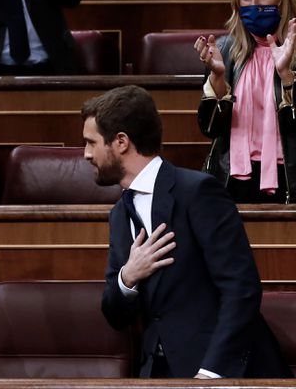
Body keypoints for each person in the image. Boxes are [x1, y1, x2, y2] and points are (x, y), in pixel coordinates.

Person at [83, 85, 291, 378]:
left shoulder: (197, 192)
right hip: (159, 373)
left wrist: (211, 375)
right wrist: (127, 278)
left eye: (91, 143)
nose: (85, 154)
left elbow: (241, 289)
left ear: (121, 142)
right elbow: (114, 314)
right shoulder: (119, 215)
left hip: (221, 370)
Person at [195, 0, 296, 203]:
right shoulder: (224, 50)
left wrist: (287, 78)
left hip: (288, 177)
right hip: (233, 179)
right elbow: (210, 129)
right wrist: (218, 77)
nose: (254, 4)